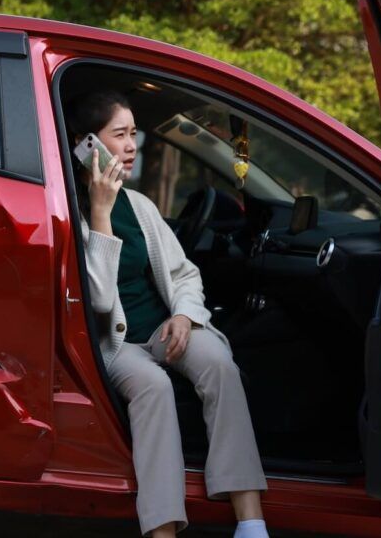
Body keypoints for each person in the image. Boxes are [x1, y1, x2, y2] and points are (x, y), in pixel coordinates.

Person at [67, 91, 269, 538]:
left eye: (133, 134)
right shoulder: (70, 213)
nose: (131, 145)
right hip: (116, 344)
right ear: (86, 144)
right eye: (118, 135)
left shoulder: (140, 206)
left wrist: (184, 316)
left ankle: (250, 520)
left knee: (218, 363)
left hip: (164, 329)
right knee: (154, 387)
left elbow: (184, 274)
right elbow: (99, 301)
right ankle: (163, 531)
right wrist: (100, 213)